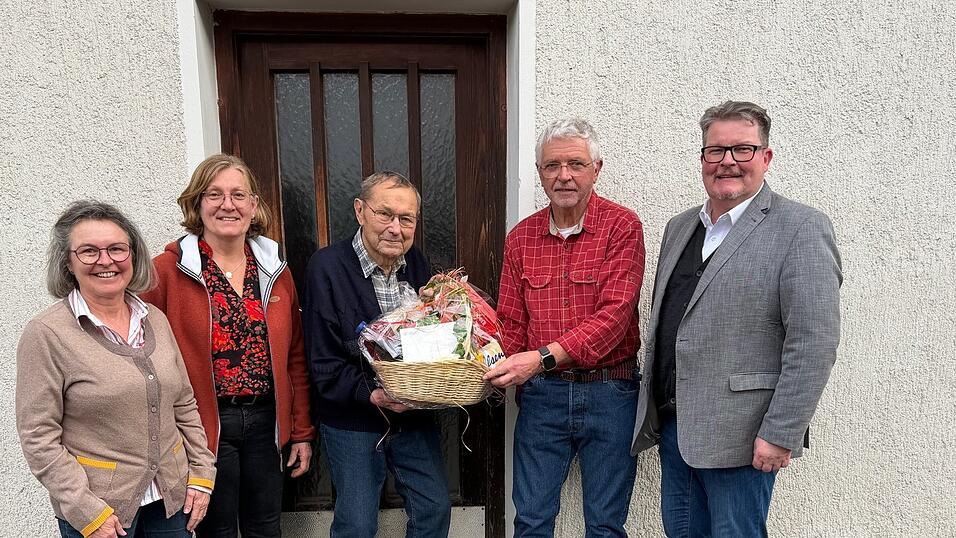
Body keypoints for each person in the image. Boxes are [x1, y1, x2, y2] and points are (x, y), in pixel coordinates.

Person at [631, 101, 843, 537]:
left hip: (744, 439)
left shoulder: (800, 228)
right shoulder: (679, 228)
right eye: (716, 150)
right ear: (702, 159)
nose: (727, 161)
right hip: (676, 431)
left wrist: (781, 432)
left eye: (742, 149)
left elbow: (814, 342)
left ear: (766, 157)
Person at [16, 201, 216, 538]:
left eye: (116, 249)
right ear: (68, 262)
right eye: (88, 251)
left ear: (133, 255)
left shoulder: (154, 319)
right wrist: (84, 509)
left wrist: (202, 474)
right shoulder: (47, 334)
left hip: (171, 502)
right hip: (100, 511)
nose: (105, 260)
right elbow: (38, 437)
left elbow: (183, 403)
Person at [485, 118, 645, 537]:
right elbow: (511, 324)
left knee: (605, 525)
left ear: (596, 168)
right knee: (531, 521)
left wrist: (539, 358)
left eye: (576, 163)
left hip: (611, 391)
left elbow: (614, 317)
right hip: (543, 396)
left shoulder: (622, 227)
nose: (564, 175)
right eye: (552, 165)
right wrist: (485, 367)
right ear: (539, 173)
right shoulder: (520, 238)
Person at [141, 154, 315, 537]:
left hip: (266, 423)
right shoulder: (165, 272)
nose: (227, 205)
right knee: (213, 530)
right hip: (202, 427)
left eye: (238, 195)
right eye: (214, 194)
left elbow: (295, 357)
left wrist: (301, 430)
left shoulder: (274, 270)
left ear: (253, 205)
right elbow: (141, 355)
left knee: (265, 529)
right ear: (197, 203)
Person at [304, 171, 451, 538]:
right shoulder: (327, 267)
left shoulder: (416, 264)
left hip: (412, 414)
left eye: (406, 219)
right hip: (353, 417)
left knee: (434, 509)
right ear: (360, 211)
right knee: (356, 524)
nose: (395, 228)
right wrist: (372, 393)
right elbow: (322, 363)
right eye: (385, 214)